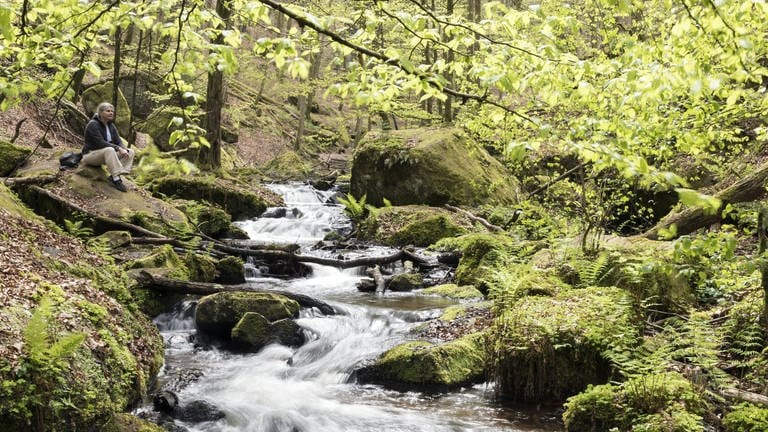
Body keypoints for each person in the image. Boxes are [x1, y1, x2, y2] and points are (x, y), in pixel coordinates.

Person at [82, 102, 134, 192]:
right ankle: (116, 179)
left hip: (105, 155)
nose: (111, 113)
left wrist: (123, 149)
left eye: (112, 111)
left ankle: (114, 176)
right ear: (101, 113)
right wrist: (118, 148)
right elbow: (100, 143)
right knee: (109, 149)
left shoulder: (111, 126)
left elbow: (118, 140)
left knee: (130, 151)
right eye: (108, 111)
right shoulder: (93, 124)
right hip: (90, 156)